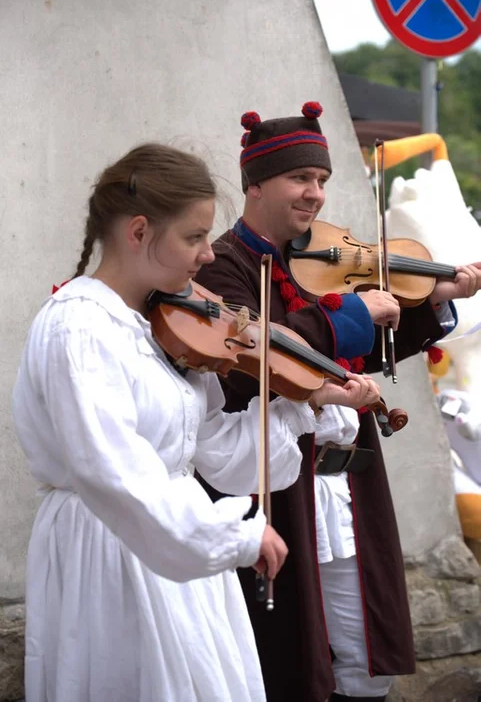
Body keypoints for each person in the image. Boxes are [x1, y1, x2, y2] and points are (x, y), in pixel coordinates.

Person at [11, 142, 382, 702]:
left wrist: (303, 402)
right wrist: (225, 534)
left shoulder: (166, 327)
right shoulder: (80, 329)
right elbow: (112, 472)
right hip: (112, 551)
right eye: (193, 237)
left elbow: (219, 454)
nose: (209, 255)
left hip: (175, 549)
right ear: (138, 232)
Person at [195, 103, 481, 702]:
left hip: (345, 485)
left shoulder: (325, 259)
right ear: (255, 182)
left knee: (366, 654)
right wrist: (349, 315)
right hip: (277, 482)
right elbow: (250, 359)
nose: (316, 194)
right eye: (300, 178)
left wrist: (433, 300)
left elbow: (365, 347)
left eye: (322, 180)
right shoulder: (224, 265)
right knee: (290, 653)